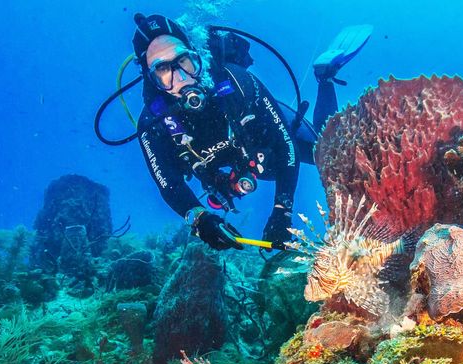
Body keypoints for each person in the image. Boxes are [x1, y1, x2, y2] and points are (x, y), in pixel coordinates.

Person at [131, 13, 370, 250]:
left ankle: (325, 77)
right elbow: (169, 184)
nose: (181, 78)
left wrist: (282, 211)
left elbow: (286, 144)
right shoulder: (152, 125)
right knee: (269, 171)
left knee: (328, 151)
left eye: (183, 61)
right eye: (163, 70)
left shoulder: (238, 82)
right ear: (150, 78)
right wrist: (200, 219)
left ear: (196, 56)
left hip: (268, 137)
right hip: (244, 161)